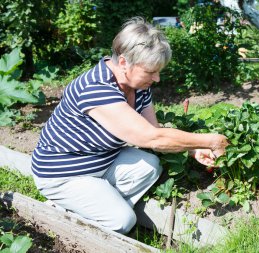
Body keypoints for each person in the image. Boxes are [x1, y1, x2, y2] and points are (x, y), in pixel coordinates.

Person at [31, 17, 229, 234]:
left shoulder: (139, 86)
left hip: (100, 160)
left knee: (150, 165)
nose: (157, 78)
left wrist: (193, 149)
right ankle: (68, 213)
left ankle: (86, 207)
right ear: (124, 62)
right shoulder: (95, 88)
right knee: (122, 221)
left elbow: (155, 132)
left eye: (158, 71)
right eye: (151, 71)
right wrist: (211, 141)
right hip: (63, 173)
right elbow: (150, 137)